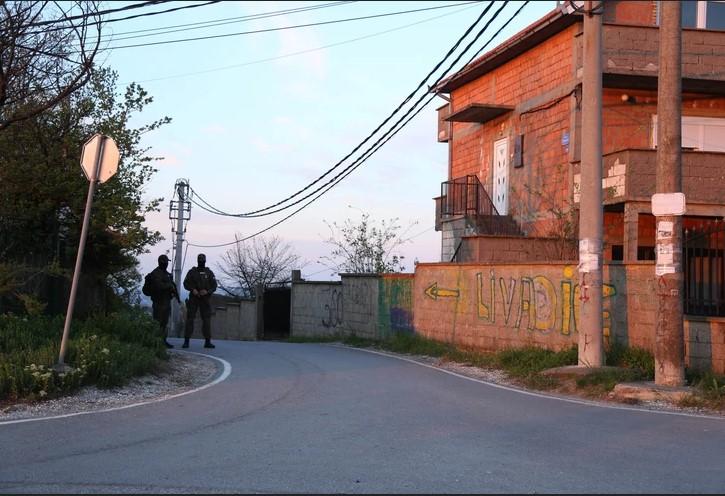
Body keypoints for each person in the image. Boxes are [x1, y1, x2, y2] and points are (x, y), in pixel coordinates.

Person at [144, 254, 180, 349]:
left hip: (166, 301)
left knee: (164, 323)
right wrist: (169, 285)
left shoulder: (166, 274)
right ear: (162, 262)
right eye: (166, 262)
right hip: (158, 302)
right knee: (157, 323)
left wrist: (173, 292)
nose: (167, 264)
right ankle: (156, 342)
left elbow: (171, 287)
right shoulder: (156, 274)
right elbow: (159, 286)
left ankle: (163, 341)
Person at [182, 253, 218, 349]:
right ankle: (186, 341)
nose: (201, 262)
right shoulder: (192, 272)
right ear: (197, 261)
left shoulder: (209, 273)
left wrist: (207, 291)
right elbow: (185, 283)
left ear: (205, 261)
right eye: (200, 260)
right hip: (194, 298)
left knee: (206, 320)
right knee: (190, 319)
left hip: (205, 299)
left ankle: (207, 341)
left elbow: (214, 286)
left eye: (202, 260)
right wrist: (192, 289)